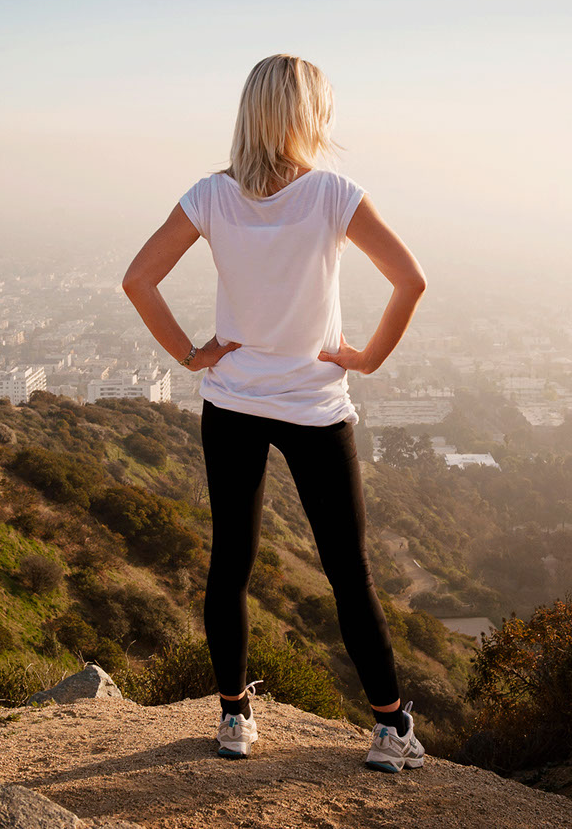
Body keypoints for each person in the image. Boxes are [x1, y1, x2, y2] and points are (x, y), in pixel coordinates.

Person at [122, 54, 427, 772]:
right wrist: (368, 358)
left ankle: (234, 719)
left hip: (231, 402)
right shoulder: (333, 194)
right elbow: (411, 280)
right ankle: (390, 729)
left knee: (231, 564)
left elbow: (138, 279)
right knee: (348, 572)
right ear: (308, 115)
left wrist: (191, 353)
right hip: (316, 407)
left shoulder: (210, 195)